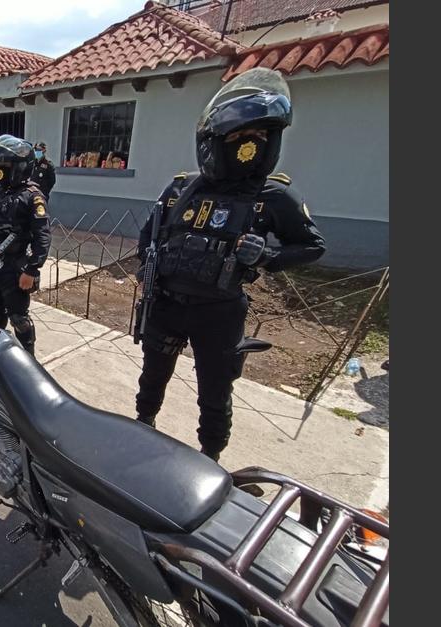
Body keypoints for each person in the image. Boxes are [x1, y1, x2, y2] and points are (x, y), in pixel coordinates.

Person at [132, 68, 326, 462]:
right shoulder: (180, 188)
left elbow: (312, 246)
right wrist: (146, 274)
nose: (248, 146)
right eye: (237, 137)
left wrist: (268, 257)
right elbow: (148, 239)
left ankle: (210, 458)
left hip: (218, 312)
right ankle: (142, 428)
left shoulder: (273, 196)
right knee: (152, 377)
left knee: (215, 393)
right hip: (166, 305)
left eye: (257, 137)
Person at [0, 134, 51, 355]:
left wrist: (32, 268)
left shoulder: (33, 196)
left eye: (5, 164)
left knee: (19, 318)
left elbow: (43, 236)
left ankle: (29, 359)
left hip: (16, 266)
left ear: (20, 166)